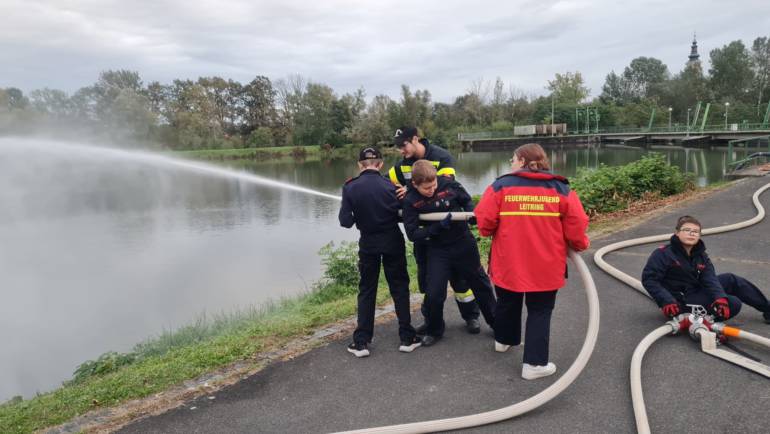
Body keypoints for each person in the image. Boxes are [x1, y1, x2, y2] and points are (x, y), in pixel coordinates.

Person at [475, 143, 590, 380]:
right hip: (545, 264)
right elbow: (577, 224)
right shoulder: (560, 188)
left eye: (512, 159)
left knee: (507, 301)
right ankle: (534, 364)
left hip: (508, 262)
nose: (510, 163)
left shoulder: (500, 187)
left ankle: (503, 340)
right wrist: (580, 245)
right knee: (540, 310)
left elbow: (484, 223)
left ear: (524, 161)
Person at [390, 127, 482, 334]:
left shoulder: (442, 158)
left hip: (451, 232)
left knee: (460, 281)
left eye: (403, 145)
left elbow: (443, 186)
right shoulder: (399, 167)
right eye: (398, 147)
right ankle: (432, 323)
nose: (401, 151)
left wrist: (411, 190)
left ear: (415, 139)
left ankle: (471, 316)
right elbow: (388, 185)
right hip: (425, 238)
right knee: (429, 284)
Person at [401, 160, 497, 346]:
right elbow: (413, 234)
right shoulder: (410, 200)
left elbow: (467, 201)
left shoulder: (449, 184)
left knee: (480, 283)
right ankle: (435, 330)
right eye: (426, 188)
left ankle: (496, 323)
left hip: (463, 242)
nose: (431, 190)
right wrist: (436, 228)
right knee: (434, 292)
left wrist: (471, 215)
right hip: (438, 248)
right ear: (415, 184)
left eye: (434, 185)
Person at [338, 147, 422, 357]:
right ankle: (407, 337)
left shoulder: (350, 188)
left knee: (367, 290)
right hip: (392, 240)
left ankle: (362, 342)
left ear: (360, 165)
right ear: (381, 164)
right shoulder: (392, 187)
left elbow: (345, 222)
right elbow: (405, 214)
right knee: (399, 287)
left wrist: (358, 213)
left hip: (368, 244)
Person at [642, 215, 770, 324]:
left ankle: (768, 309)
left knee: (730, 279)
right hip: (677, 303)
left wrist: (719, 297)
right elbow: (649, 279)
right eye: (687, 230)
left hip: (695, 291)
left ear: (699, 235)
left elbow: (709, 278)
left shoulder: (700, 255)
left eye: (695, 231)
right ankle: (701, 322)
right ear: (677, 233)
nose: (691, 233)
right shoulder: (663, 253)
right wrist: (666, 300)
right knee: (733, 303)